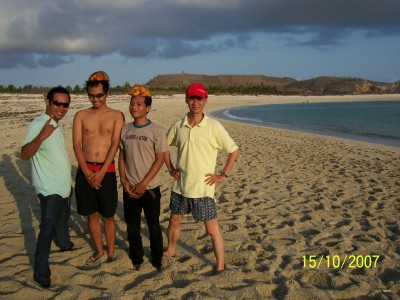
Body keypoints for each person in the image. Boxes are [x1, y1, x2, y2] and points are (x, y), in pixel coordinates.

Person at [164, 83, 239, 274]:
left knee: (212, 229)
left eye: (199, 99)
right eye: (192, 98)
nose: (195, 102)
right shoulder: (178, 125)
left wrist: (223, 175)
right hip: (180, 186)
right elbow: (163, 147)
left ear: (205, 101)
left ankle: (220, 265)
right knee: (174, 220)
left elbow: (233, 150)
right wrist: (171, 168)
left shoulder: (214, 126)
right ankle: (171, 250)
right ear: (186, 100)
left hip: (204, 188)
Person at [21, 86, 74, 288]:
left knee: (62, 221)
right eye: (57, 103)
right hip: (49, 188)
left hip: (63, 186)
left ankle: (64, 244)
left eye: (65, 104)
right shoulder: (39, 124)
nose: (61, 107)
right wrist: (42, 135)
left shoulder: (56, 124)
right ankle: (41, 272)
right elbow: (25, 154)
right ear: (47, 102)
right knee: (47, 229)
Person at [73, 71, 124, 264]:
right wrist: (86, 172)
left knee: (108, 215)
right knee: (91, 214)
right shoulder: (81, 115)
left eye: (99, 95)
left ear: (107, 94)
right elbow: (77, 144)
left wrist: (101, 172)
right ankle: (99, 250)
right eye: (91, 96)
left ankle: (111, 251)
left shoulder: (117, 116)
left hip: (107, 171)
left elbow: (114, 144)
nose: (95, 99)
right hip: (84, 171)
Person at [119, 84, 167, 271]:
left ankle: (156, 258)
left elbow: (160, 159)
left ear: (148, 108)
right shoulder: (125, 129)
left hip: (150, 188)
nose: (134, 107)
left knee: (153, 226)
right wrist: (123, 181)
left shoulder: (157, 130)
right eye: (132, 104)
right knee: (132, 227)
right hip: (129, 186)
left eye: (139, 104)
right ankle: (136, 257)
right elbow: (121, 156)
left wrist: (144, 183)